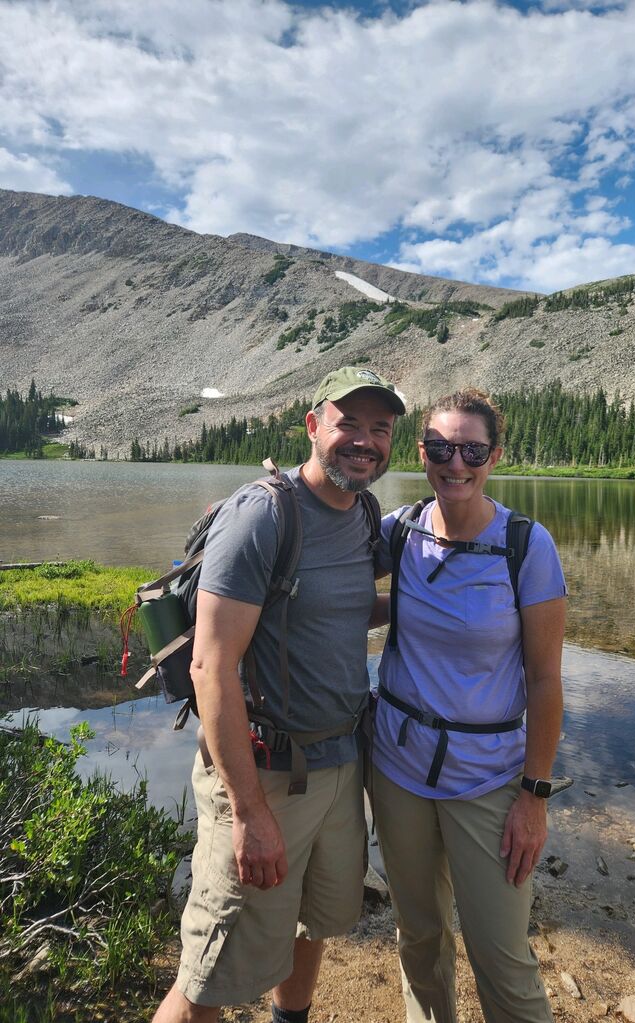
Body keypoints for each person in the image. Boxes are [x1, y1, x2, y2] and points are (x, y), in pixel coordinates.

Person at [153, 367, 405, 1023]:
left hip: (339, 767)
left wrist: (433, 612)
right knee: (208, 973)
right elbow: (212, 666)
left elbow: (343, 609)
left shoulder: (363, 514)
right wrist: (248, 811)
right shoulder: (264, 512)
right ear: (313, 425)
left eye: (380, 428)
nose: (365, 441)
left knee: (310, 924)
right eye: (349, 422)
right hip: (263, 772)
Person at [372, 388, 567, 1023]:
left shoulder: (526, 546)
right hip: (397, 769)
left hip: (488, 778)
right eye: (439, 447)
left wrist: (533, 796)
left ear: (494, 456)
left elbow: (544, 681)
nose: (455, 463)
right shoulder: (397, 532)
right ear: (422, 453)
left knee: (502, 956)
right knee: (420, 938)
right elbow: (323, 530)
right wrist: (254, 506)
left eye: (472, 450)